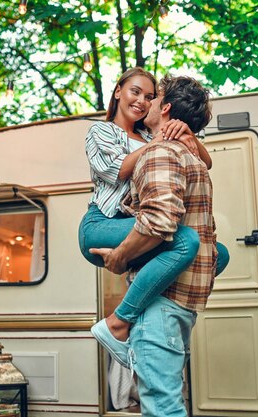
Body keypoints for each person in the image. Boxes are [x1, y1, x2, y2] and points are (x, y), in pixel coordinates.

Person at [90, 74, 217, 417]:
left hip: (160, 307)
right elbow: (113, 170)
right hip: (178, 301)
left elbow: (159, 222)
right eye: (137, 93)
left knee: (162, 408)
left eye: (153, 97)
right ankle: (123, 316)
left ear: (166, 108)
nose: (145, 102)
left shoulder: (163, 149)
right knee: (169, 402)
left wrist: (120, 259)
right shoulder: (162, 146)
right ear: (117, 93)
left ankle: (117, 321)